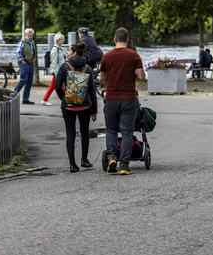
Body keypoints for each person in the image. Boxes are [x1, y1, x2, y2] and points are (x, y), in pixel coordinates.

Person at [100, 27, 145, 175]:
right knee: (126, 132)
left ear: (114, 39)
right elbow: (141, 77)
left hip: (111, 98)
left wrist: (109, 87)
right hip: (129, 99)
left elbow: (102, 78)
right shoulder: (134, 56)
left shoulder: (106, 56)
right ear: (127, 40)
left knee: (111, 129)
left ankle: (112, 156)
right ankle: (124, 165)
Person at [54, 43, 98, 172]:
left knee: (70, 134)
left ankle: (72, 164)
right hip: (85, 106)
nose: (67, 53)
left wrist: (64, 98)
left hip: (68, 106)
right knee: (85, 132)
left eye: (68, 51)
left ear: (74, 53)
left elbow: (57, 86)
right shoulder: (87, 68)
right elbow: (92, 90)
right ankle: (84, 160)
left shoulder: (65, 67)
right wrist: (94, 110)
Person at [41, 33, 67, 105]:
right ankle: (45, 99)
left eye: (63, 39)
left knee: (57, 85)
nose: (63, 41)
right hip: (57, 71)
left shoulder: (59, 49)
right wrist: (54, 71)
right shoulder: (55, 49)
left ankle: (46, 99)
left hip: (59, 70)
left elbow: (59, 60)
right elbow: (54, 61)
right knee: (55, 85)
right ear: (57, 40)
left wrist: (64, 56)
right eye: (61, 39)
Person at [14, 28, 37, 104]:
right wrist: (22, 61)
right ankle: (13, 94)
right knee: (23, 79)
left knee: (29, 82)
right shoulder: (23, 41)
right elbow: (18, 52)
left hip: (30, 64)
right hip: (24, 63)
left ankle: (25, 99)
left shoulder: (32, 42)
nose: (31, 34)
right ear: (26, 33)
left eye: (32, 33)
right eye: (29, 32)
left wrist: (33, 61)